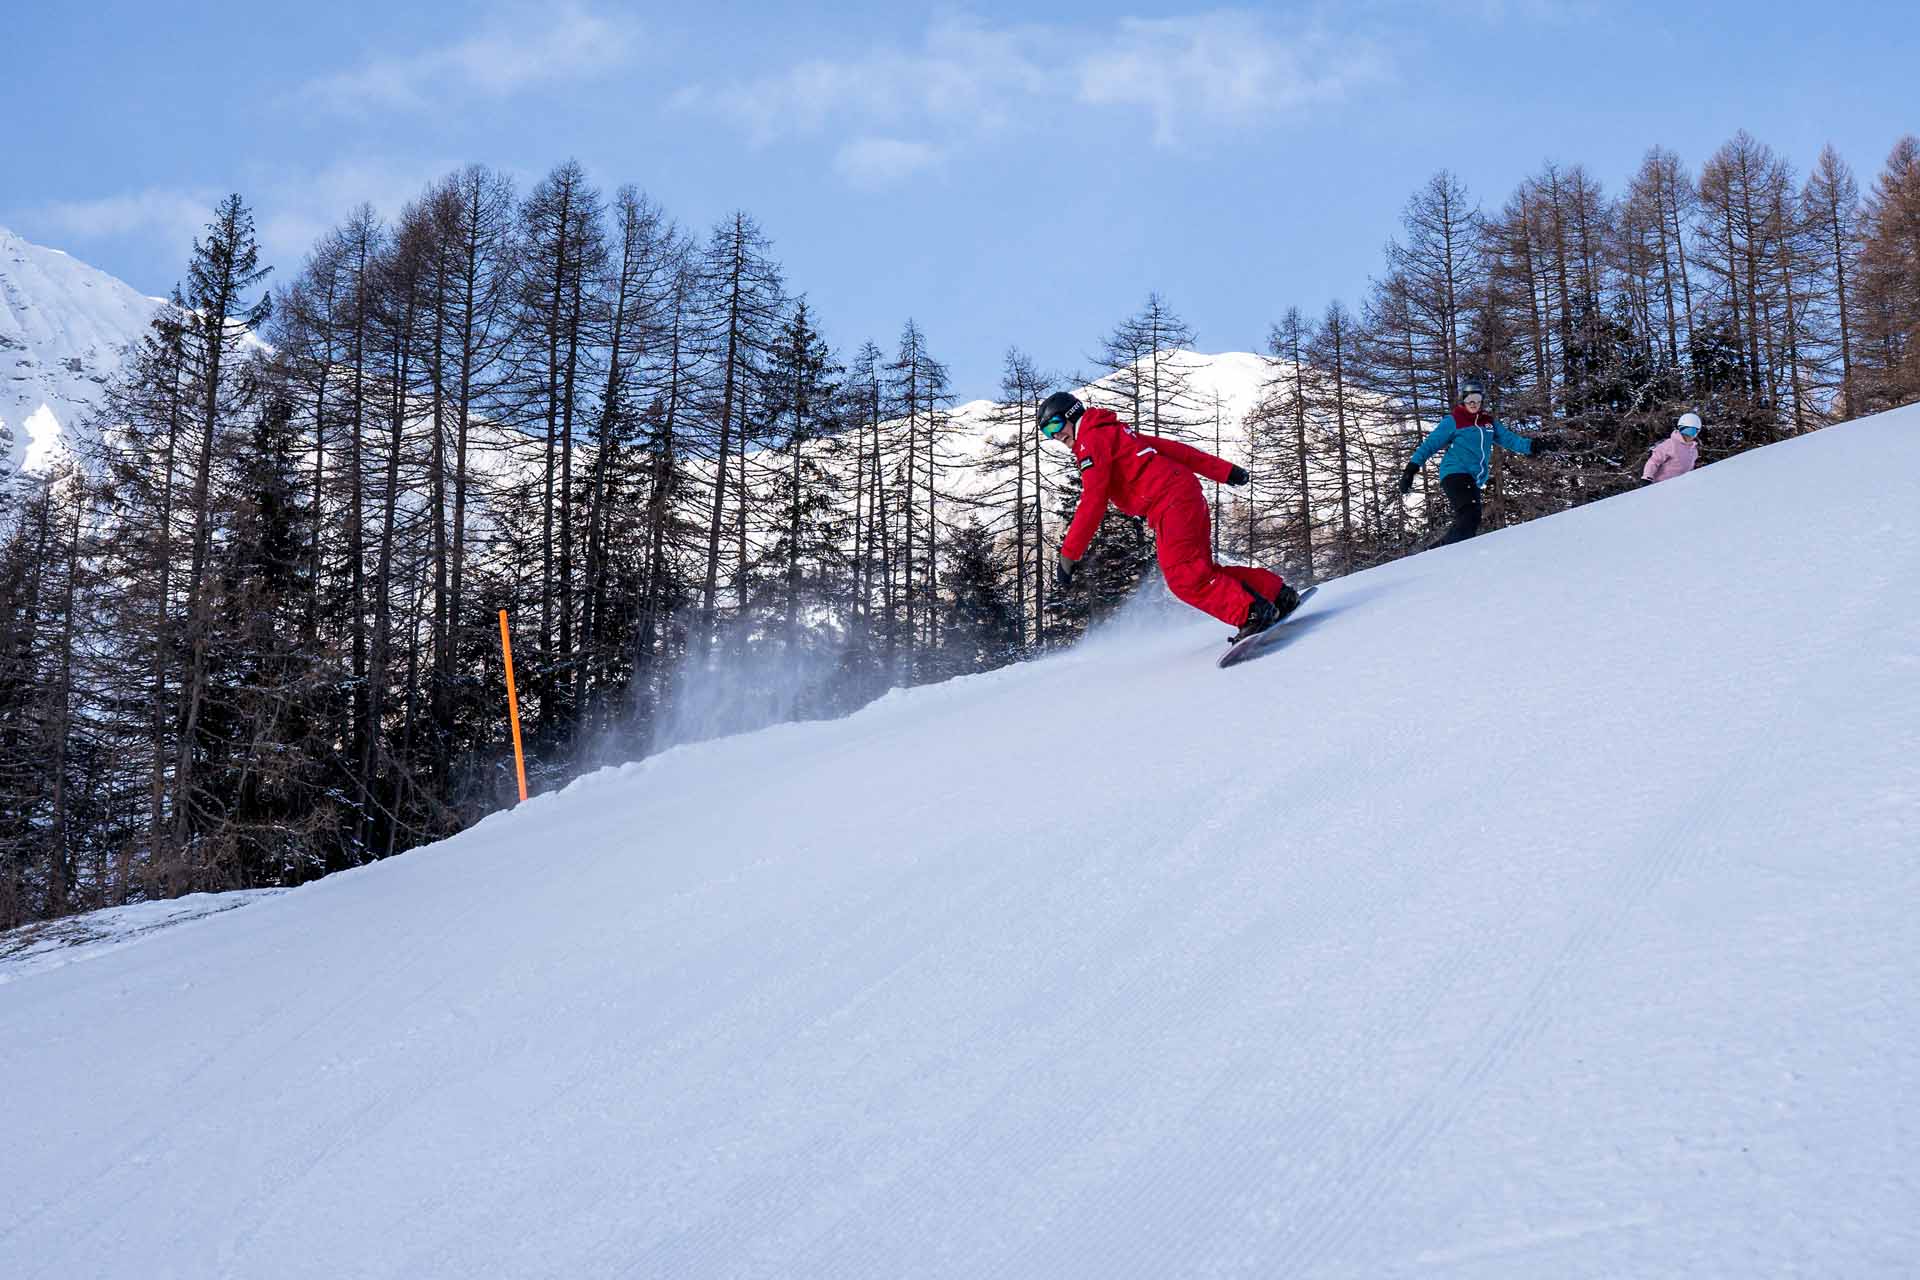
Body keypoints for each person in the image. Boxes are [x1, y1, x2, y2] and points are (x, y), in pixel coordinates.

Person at [1038, 391, 1298, 644]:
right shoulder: (1112, 431)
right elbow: (1173, 450)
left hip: (1170, 502)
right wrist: (1224, 471)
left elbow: (1093, 500)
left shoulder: (1091, 441)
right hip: (1182, 495)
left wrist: (1069, 555)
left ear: (1072, 414)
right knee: (1201, 571)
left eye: (1056, 424)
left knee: (1184, 578)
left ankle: (1251, 612)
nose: (1056, 435)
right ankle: (1276, 595)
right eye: (1048, 432)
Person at [1397, 381, 1560, 546]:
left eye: (1477, 399)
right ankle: (1442, 552)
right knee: (1470, 515)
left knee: (1470, 519)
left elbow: (1511, 440)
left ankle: (1441, 551)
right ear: (1464, 401)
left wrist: (1535, 446)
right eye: (1470, 400)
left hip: (1473, 479)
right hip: (1454, 473)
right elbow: (1429, 445)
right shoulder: (1454, 420)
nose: (1474, 404)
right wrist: (1410, 471)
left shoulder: (1488, 422)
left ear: (1482, 401)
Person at [1643, 411, 1703, 484]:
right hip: (1661, 485)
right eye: (1687, 431)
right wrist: (1647, 477)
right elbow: (1654, 461)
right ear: (1680, 429)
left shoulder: (1693, 450)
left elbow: (1690, 469)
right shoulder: (1669, 444)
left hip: (1681, 486)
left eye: (1693, 432)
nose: (1689, 435)